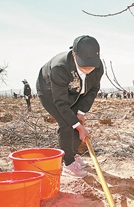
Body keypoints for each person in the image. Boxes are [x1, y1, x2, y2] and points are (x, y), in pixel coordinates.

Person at [36, 35, 103, 178]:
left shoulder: (97, 67)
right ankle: (68, 163)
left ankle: (73, 154)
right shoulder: (60, 68)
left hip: (76, 92)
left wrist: (81, 112)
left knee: (75, 120)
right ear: (74, 54)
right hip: (50, 92)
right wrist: (78, 126)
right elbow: (60, 103)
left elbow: (93, 89)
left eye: (91, 64)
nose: (88, 68)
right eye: (84, 64)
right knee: (67, 123)